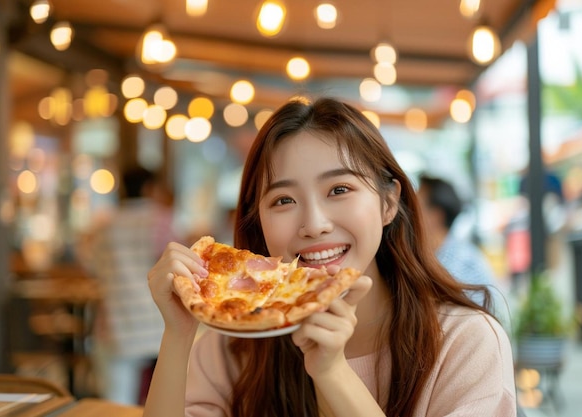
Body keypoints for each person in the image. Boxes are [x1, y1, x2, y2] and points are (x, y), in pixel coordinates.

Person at [144, 97, 516, 416]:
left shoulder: (465, 342)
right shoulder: (234, 346)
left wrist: (333, 372)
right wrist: (177, 335)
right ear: (258, 221)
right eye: (283, 200)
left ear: (389, 203)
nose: (314, 224)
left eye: (339, 189)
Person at [84, 166, 174, 405]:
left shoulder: (105, 223)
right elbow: (177, 266)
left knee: (117, 401)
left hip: (116, 320)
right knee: (163, 399)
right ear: (149, 188)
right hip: (156, 321)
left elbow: (92, 265)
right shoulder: (160, 219)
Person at [416, 175, 503, 306]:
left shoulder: (462, 264)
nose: (408, 212)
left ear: (436, 216)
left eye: (416, 206)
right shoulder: (434, 257)